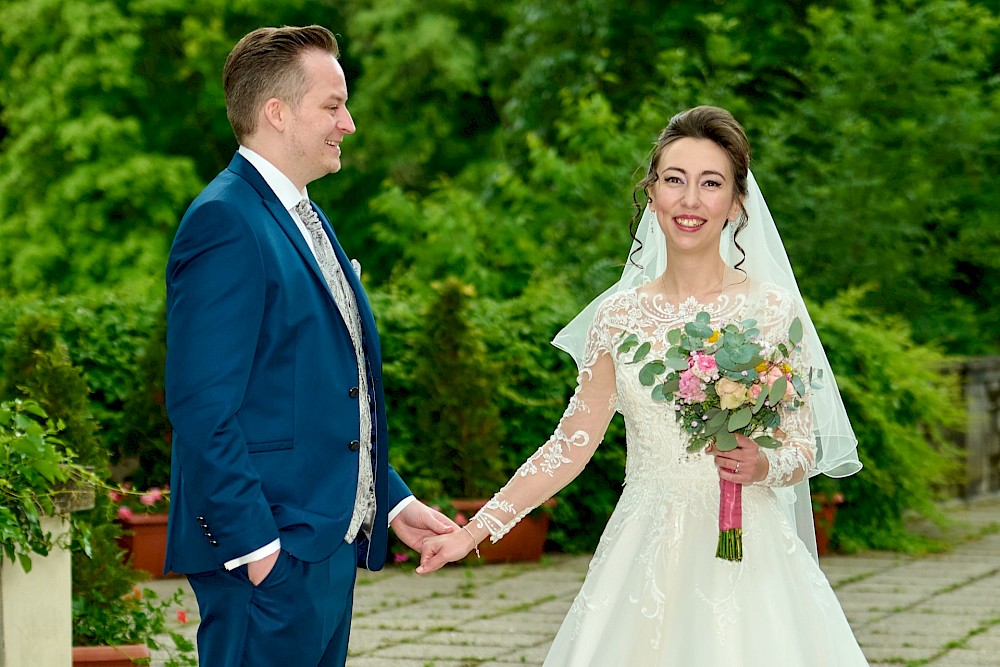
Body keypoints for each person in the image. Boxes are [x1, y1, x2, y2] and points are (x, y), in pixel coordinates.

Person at [418, 106, 869, 665]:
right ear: (651, 193)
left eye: (711, 184)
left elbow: (803, 445)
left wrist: (763, 465)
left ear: (736, 203)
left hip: (750, 553)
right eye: (674, 180)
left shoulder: (771, 311)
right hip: (644, 547)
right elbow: (569, 446)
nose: (690, 200)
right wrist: (474, 531)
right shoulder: (618, 316)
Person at [164, 25, 456, 667]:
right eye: (332, 105)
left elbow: (322, 391)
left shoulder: (305, 215)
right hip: (270, 559)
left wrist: (392, 500)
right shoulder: (226, 222)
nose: (347, 123)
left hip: (323, 548)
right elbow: (200, 405)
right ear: (276, 112)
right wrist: (258, 551)